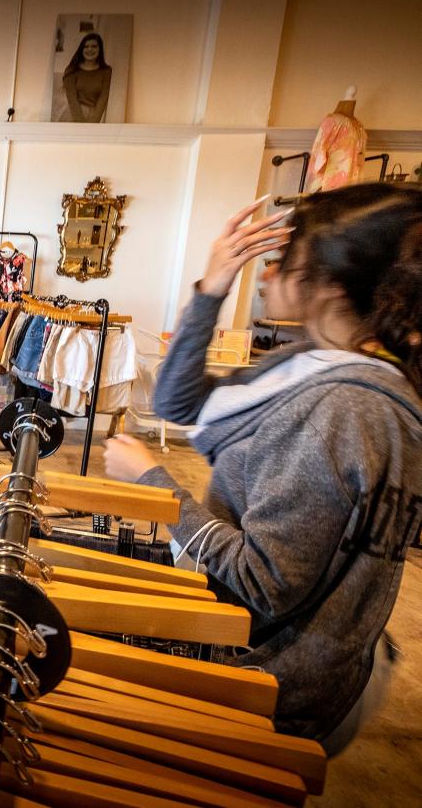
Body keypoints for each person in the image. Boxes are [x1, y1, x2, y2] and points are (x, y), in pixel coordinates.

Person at [103, 184, 422, 748]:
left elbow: (264, 581)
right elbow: (179, 404)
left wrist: (152, 482)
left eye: (280, 262)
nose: (267, 277)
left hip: (268, 678)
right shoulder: (319, 366)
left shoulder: (342, 408)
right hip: (281, 660)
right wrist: (212, 290)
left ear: (325, 283)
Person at [62, 32, 111, 123]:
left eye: (94, 46)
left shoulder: (107, 71)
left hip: (94, 116)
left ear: (100, 49)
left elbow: (103, 98)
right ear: (81, 49)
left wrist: (94, 121)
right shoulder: (71, 70)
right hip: (72, 114)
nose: (90, 49)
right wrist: (80, 123)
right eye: (86, 46)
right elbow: (72, 98)